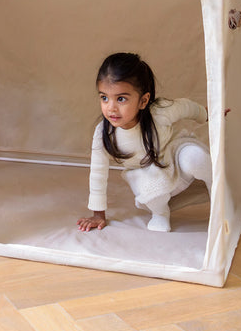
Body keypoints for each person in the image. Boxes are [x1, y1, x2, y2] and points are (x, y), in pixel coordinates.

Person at [77, 52, 213, 233]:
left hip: (173, 155)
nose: (111, 108)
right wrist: (98, 214)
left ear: (143, 100)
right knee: (150, 189)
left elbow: (186, 107)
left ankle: (218, 193)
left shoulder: (159, 112)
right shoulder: (104, 133)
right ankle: (161, 213)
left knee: (197, 157)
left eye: (121, 99)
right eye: (104, 98)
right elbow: (98, 174)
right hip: (147, 172)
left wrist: (207, 114)